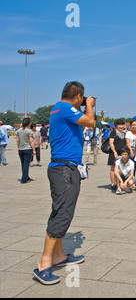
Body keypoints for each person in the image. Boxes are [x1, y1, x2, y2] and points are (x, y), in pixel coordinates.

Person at [35, 81, 95, 285]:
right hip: (64, 170)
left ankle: (58, 255)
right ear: (78, 96)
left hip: (64, 168)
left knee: (60, 211)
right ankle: (44, 263)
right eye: (83, 98)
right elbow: (90, 122)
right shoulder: (65, 107)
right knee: (62, 214)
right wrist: (90, 105)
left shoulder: (58, 109)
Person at [108, 119, 127, 190]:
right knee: (113, 168)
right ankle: (113, 183)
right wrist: (115, 152)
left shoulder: (124, 133)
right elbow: (111, 143)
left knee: (119, 168)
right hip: (114, 153)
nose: (121, 126)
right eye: (119, 125)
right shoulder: (113, 132)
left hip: (121, 154)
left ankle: (118, 182)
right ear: (116, 126)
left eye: (122, 125)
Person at [16, 118, 36, 183]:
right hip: (27, 149)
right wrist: (34, 150)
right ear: (29, 124)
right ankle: (24, 179)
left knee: (23, 164)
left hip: (21, 149)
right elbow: (31, 141)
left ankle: (26, 176)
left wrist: (18, 148)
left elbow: (17, 140)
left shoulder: (18, 131)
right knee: (26, 165)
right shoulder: (29, 131)